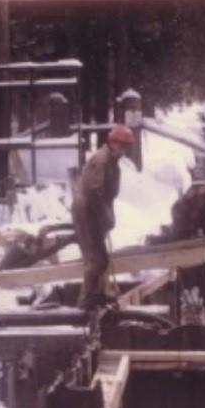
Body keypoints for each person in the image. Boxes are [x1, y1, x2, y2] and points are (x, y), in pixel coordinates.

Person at [71, 124, 134, 310]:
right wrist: (105, 216)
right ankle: (86, 302)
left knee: (101, 258)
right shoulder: (101, 160)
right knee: (95, 258)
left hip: (94, 211)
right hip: (87, 211)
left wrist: (108, 216)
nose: (124, 150)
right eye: (122, 145)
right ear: (113, 143)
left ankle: (95, 295)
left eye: (126, 146)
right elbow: (94, 193)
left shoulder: (112, 162)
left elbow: (107, 196)